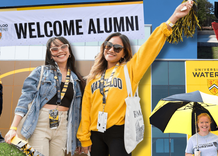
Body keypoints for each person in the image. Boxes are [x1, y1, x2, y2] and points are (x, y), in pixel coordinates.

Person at [77, 1, 193, 155]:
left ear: (124, 53)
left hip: (119, 133)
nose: (111, 49)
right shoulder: (93, 76)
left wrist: (173, 18)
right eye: (108, 45)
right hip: (95, 133)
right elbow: (86, 109)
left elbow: (149, 48)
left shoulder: (130, 70)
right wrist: (84, 138)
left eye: (117, 48)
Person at [4, 36, 85, 156]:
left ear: (69, 52)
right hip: (39, 123)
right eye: (55, 49)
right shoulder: (40, 72)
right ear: (50, 55)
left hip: (63, 125)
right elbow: (25, 99)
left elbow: (78, 112)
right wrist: (13, 128)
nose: (60, 51)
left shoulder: (76, 79)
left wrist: (78, 140)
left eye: (63, 47)